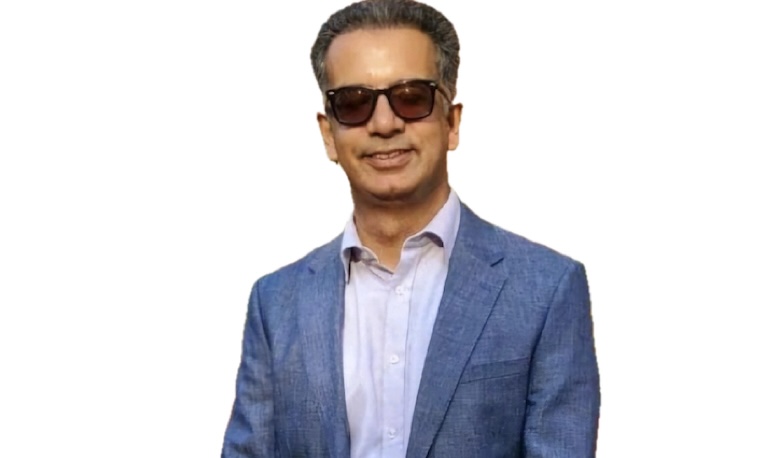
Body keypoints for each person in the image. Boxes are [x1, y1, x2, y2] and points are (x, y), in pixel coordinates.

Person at [221, 0, 600, 456]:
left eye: (411, 97)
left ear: (451, 122)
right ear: (328, 135)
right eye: (354, 103)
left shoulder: (546, 289)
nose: (384, 123)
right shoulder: (276, 303)